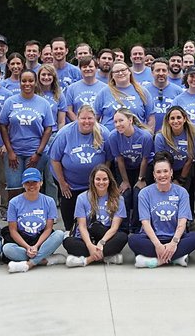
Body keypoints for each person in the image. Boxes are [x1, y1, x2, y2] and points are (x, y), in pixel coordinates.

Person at [129, 154, 195, 268]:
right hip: (152, 238)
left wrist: (173, 243)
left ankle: (155, 261)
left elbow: (182, 222)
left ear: (171, 172)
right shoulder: (144, 193)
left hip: (175, 238)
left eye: (165, 171)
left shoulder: (182, 192)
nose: (162, 175)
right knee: (133, 240)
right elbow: (145, 223)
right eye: (158, 172)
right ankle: (176, 258)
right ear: (154, 175)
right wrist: (158, 245)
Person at [50, 103, 110, 232]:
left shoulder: (104, 133)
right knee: (70, 219)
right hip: (70, 185)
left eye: (90, 118)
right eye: (83, 118)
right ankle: (70, 234)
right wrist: (62, 183)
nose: (86, 121)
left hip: (94, 184)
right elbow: (55, 160)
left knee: (93, 218)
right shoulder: (65, 133)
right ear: (77, 118)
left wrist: (102, 181)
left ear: (95, 118)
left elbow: (109, 159)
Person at [0, 69, 55, 201]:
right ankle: (14, 217)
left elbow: (48, 128)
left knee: (32, 185)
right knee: (14, 186)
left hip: (35, 152)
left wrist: (38, 153)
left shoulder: (43, 103)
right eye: (24, 81)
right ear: (19, 82)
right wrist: (10, 151)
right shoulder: (10, 102)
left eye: (30, 81)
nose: (27, 84)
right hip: (14, 153)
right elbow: (3, 126)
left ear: (35, 83)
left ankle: (31, 213)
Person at [2, 168, 66, 272]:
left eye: (34, 182)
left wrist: (36, 246)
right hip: (22, 241)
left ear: (41, 183)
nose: (31, 186)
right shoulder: (14, 203)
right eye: (27, 182)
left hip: (41, 240)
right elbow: (13, 230)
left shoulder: (49, 201)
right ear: (23, 184)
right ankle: (44, 260)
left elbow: (48, 229)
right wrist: (27, 247)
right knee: (7, 249)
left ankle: (30, 263)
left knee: (59, 234)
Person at [63, 165, 129, 266]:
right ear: (93, 180)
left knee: (122, 237)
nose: (101, 182)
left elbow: (114, 228)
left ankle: (87, 260)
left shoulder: (118, 199)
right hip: (87, 237)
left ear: (110, 180)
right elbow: (82, 227)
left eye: (105, 179)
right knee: (68, 242)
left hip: (106, 237)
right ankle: (107, 257)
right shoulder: (82, 198)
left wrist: (101, 243)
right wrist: (90, 245)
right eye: (98, 179)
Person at [104, 108, 153, 218]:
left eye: (121, 120)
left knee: (138, 194)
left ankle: (137, 226)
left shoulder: (145, 136)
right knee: (124, 194)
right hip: (125, 168)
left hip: (142, 167)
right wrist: (125, 181)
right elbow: (119, 159)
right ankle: (124, 227)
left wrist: (141, 179)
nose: (118, 124)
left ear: (130, 120)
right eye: (115, 122)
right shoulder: (113, 137)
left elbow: (145, 159)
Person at [154, 105, 195, 206]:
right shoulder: (160, 137)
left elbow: (190, 160)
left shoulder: (193, 136)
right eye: (172, 118)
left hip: (184, 169)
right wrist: (169, 179)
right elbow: (160, 162)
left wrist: (180, 180)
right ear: (168, 121)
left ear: (184, 119)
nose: (176, 121)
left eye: (179, 117)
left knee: (182, 194)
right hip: (165, 170)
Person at [94, 62, 151, 129]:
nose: (120, 73)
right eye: (117, 71)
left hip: (137, 138)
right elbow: (95, 118)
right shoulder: (103, 92)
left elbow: (151, 118)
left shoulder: (142, 91)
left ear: (129, 72)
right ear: (112, 75)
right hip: (109, 138)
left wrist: (149, 135)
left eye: (123, 70)